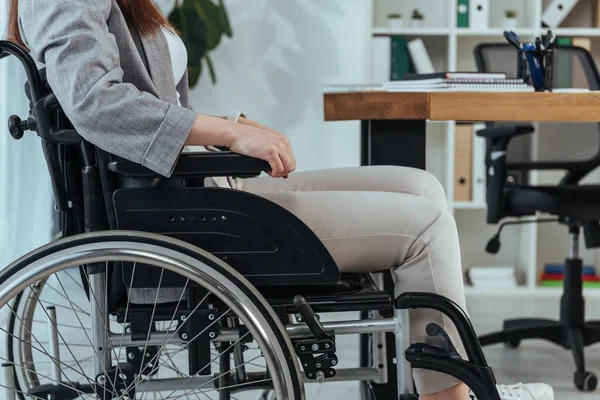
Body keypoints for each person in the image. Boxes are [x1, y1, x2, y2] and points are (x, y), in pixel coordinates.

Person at [7, 0, 553, 399]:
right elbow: (95, 102)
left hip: (183, 190)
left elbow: (148, 95)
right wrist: (225, 133)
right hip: (164, 215)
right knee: (424, 226)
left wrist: (230, 125)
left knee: (421, 186)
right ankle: (451, 397)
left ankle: (445, 383)